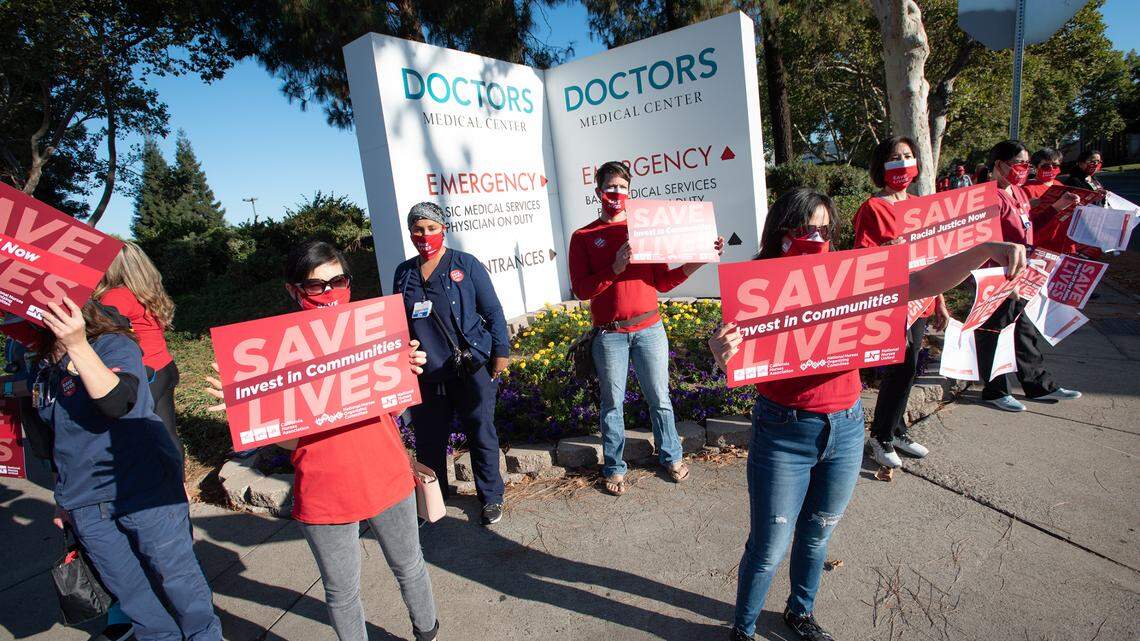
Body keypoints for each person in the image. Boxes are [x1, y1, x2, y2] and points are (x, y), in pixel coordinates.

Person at [709, 187, 1027, 641]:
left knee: (817, 534)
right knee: (769, 547)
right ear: (780, 232)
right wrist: (724, 354)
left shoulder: (851, 274)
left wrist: (985, 249)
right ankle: (742, 628)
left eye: (823, 228)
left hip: (845, 426)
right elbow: (738, 352)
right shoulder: (758, 281)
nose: (815, 237)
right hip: (783, 431)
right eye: (803, 229)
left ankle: (800, 613)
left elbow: (923, 282)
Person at [207, 240, 440, 641]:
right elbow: (289, 444)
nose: (330, 293)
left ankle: (427, 631)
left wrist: (408, 372)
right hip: (324, 488)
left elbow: (394, 411)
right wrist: (250, 408)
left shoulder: (373, 334)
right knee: (342, 591)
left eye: (339, 281)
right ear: (293, 291)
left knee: (410, 565)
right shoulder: (276, 353)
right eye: (316, 286)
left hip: (386, 473)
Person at [35, 298, 221, 641]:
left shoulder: (111, 344)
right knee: (133, 595)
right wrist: (61, 497)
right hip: (85, 501)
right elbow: (52, 439)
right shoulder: (42, 366)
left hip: (142, 489)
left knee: (178, 580)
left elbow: (118, 401)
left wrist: (76, 345)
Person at [568, 161, 724, 496]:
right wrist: (615, 267)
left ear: (630, 192)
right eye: (610, 188)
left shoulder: (644, 230)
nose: (616, 194)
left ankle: (671, 456)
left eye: (623, 188)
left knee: (660, 398)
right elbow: (582, 290)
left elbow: (665, 282)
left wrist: (700, 258)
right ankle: (614, 467)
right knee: (612, 405)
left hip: (650, 329)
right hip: (610, 335)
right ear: (598, 192)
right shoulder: (583, 237)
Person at [394, 203, 510, 525]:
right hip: (427, 373)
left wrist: (500, 353)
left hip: (470, 367)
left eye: (431, 228)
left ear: (443, 229)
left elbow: (493, 311)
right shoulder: (404, 273)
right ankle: (435, 498)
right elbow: (398, 323)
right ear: (411, 232)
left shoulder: (466, 264)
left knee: (480, 432)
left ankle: (490, 497)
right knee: (429, 439)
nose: (424, 235)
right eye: (418, 229)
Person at [854, 136, 949, 468]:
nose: (902, 163)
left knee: (909, 370)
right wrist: (890, 251)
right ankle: (879, 437)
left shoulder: (920, 205)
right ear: (881, 167)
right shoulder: (873, 208)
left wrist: (939, 300)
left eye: (908, 156)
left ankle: (896, 429)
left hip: (920, 301)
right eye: (894, 158)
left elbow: (933, 257)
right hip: (893, 302)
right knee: (902, 368)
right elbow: (863, 257)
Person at [976, 140, 1081, 413]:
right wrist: (1005, 277)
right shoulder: (987, 196)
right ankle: (995, 389)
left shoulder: (1019, 194)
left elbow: (1029, 227)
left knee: (1024, 330)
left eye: (1027, 165)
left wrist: (1057, 208)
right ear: (999, 165)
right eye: (1019, 163)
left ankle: (1037, 384)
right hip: (997, 275)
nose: (1025, 169)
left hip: (1022, 271)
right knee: (995, 332)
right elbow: (985, 240)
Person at [94, 241, 181, 459]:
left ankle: (157, 488)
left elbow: (97, 329)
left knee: (138, 441)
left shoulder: (114, 297)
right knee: (168, 434)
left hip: (144, 374)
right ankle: (178, 488)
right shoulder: (146, 292)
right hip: (164, 367)